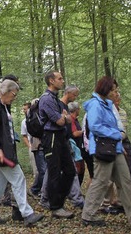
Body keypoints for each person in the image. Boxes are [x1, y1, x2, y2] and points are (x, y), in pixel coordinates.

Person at [80, 76, 131, 228]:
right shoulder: (95, 104)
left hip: (115, 149)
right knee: (101, 182)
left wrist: (120, 146)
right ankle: (88, 215)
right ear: (105, 89)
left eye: (116, 90)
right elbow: (95, 127)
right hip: (103, 149)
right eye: (113, 90)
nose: (115, 93)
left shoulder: (108, 105)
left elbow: (116, 125)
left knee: (125, 181)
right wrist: (117, 135)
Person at [0, 79, 44, 226]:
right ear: (8, 92)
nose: (15, 98)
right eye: (14, 94)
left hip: (2, 151)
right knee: (19, 179)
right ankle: (27, 213)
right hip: (0, 152)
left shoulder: (0, 104)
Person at [38, 71, 75, 219]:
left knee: (70, 171)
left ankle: (58, 200)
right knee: (54, 172)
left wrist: (65, 117)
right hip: (51, 137)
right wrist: (65, 117)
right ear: (51, 81)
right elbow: (61, 121)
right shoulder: (46, 99)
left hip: (61, 137)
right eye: (59, 78)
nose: (63, 80)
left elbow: (67, 119)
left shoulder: (57, 100)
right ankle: (55, 206)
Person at [21, 102, 41, 198]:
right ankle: (35, 190)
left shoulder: (38, 117)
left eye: (25, 109)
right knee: (36, 170)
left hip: (41, 146)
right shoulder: (24, 121)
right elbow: (24, 135)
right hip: (32, 146)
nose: (24, 111)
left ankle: (39, 189)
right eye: (23, 109)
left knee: (42, 169)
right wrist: (29, 145)